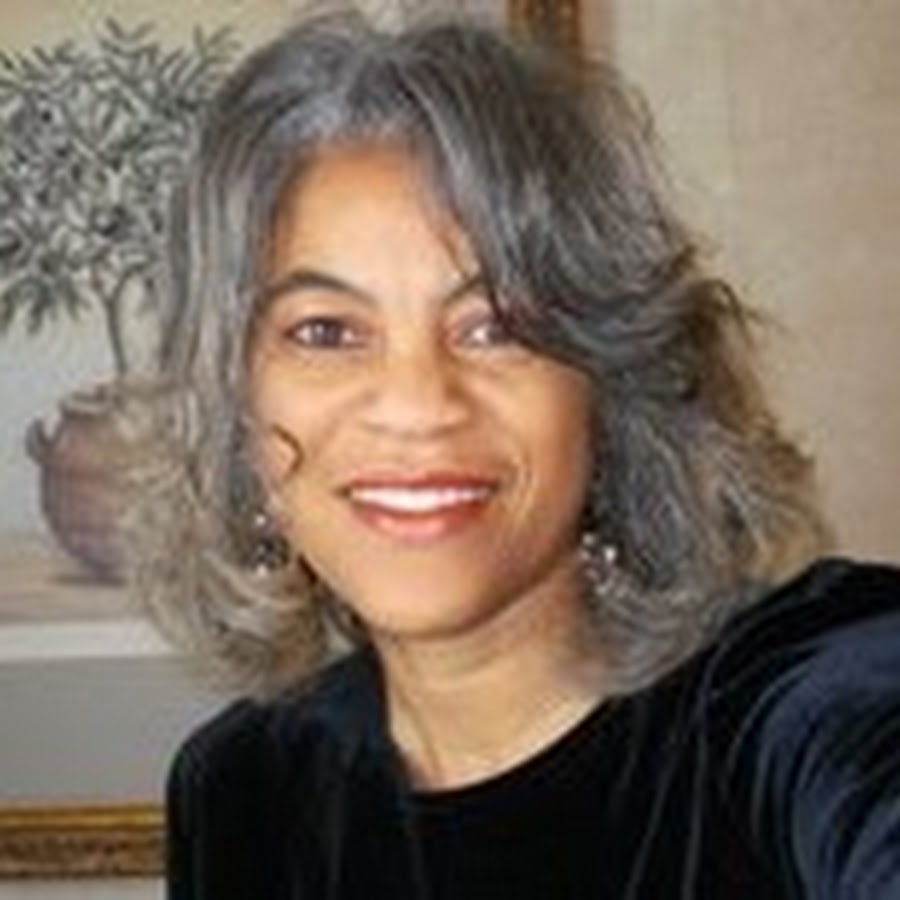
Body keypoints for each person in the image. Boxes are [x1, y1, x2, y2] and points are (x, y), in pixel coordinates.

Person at [133, 9, 900, 899]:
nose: (418, 406)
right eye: (326, 331)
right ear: (234, 409)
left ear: (609, 388)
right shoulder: (240, 793)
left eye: (496, 325)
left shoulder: (806, 699)